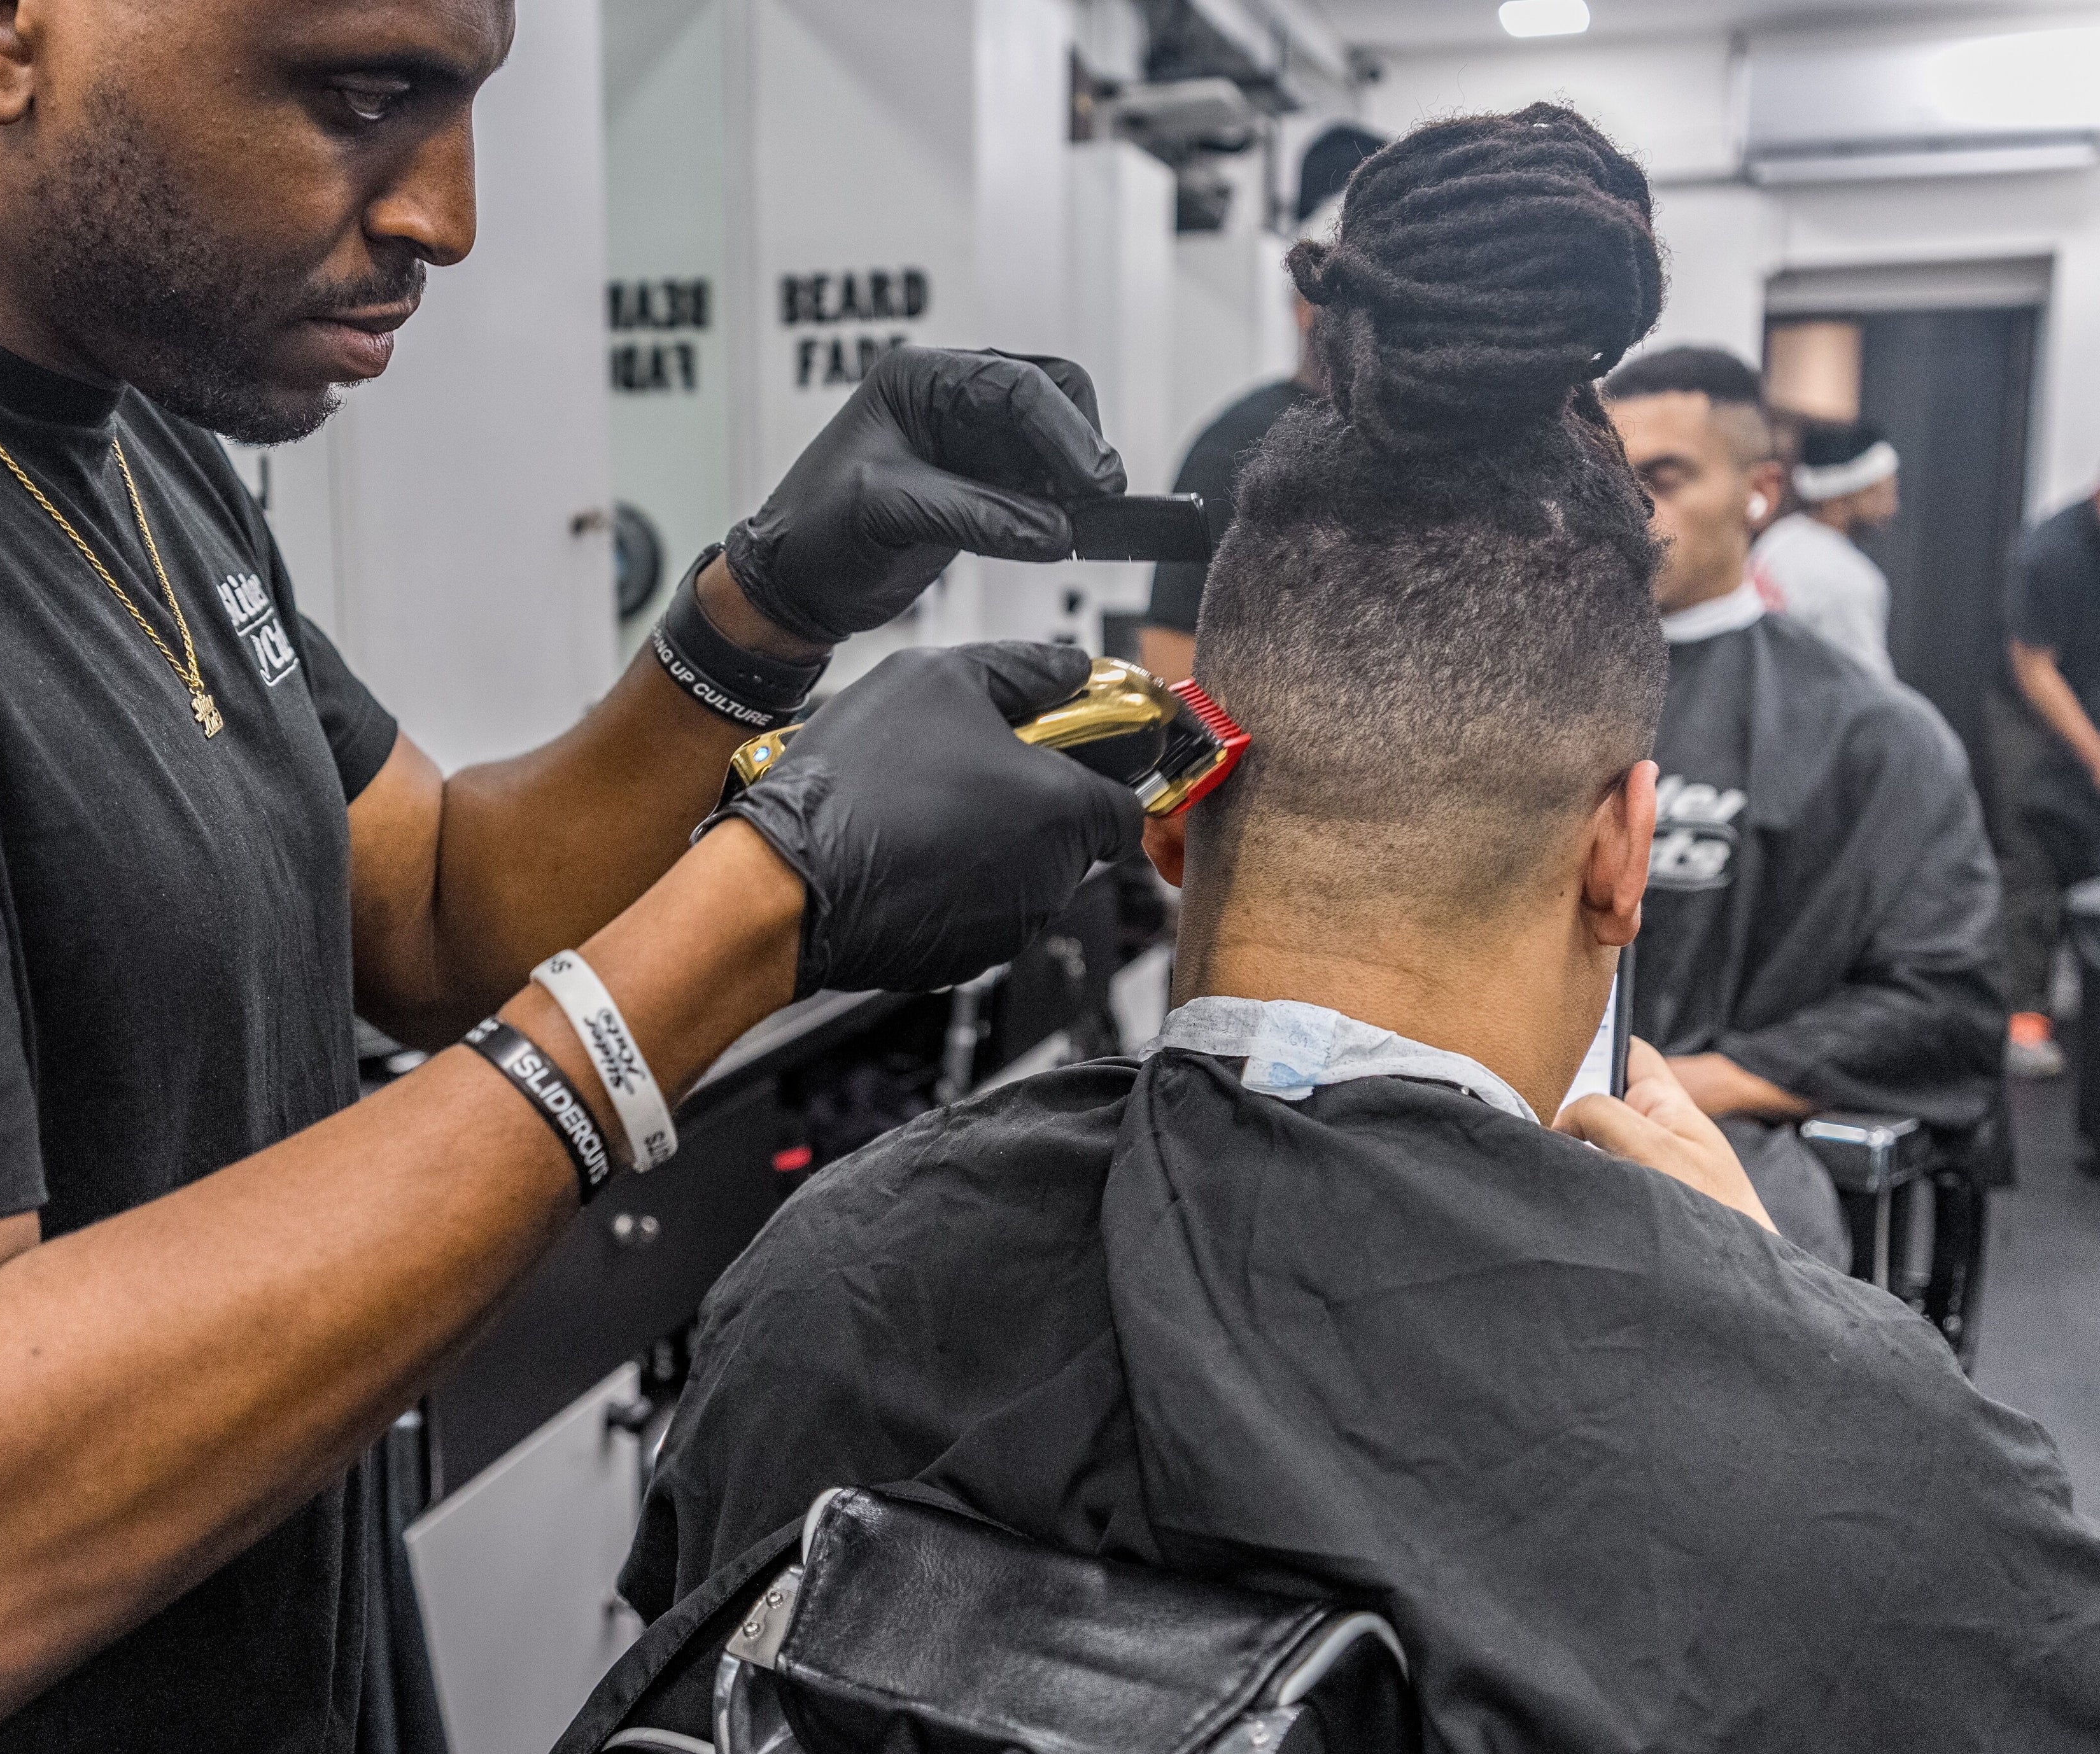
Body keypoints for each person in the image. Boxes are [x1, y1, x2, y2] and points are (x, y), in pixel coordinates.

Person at [0, 3, 1152, 1749]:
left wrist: (764, 614)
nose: (448, 213)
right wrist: (764, 903)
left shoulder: (119, 416)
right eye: (363, 96)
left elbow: (436, 906)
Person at [576, 108, 2100, 1754]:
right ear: (1623, 855)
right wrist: (1788, 1323)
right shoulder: (1896, 1487)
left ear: (1172, 810)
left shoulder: (824, 1280)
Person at [1602, 348, 2004, 1269]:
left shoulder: (1872, 734)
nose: (1627, 511)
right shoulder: (1511, 706)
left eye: (1665, 477)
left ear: (1761, 490)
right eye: (1606, 482)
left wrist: (1687, 1078)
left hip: (1724, 1146)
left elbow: (1944, 1001)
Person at [1136, 122, 1383, 683]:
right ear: (1303, 307)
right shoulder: (1236, 447)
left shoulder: (1411, 441)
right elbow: (1172, 647)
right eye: (1346, 296)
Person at [2006, 486, 2100, 1093]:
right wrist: (2094, 753)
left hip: (2091, 707)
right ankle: (2023, 1021)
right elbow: (2034, 666)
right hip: (2036, 727)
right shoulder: (2052, 553)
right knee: (2033, 870)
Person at [1749, 419, 1899, 675]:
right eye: (1880, 492)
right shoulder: (1849, 579)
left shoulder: (1780, 536)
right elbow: (1866, 685)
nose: (1892, 507)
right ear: (1841, 495)